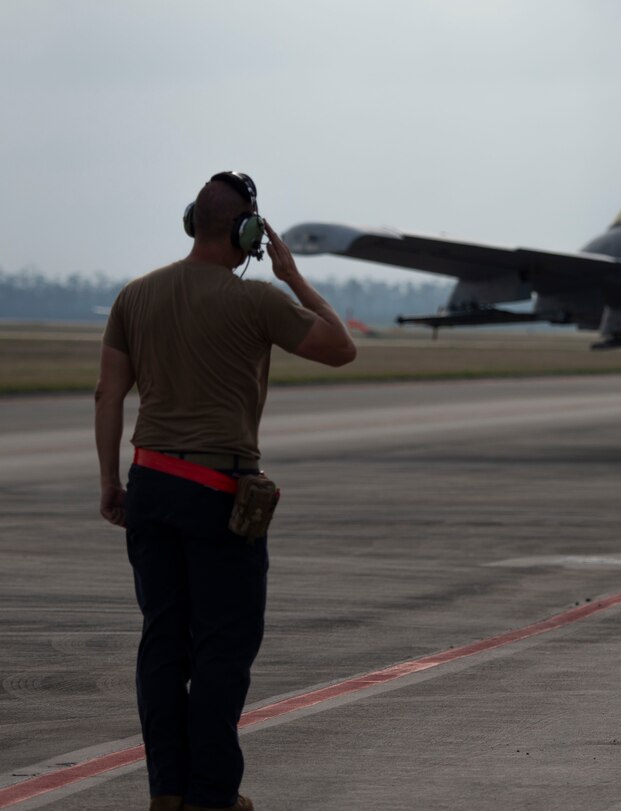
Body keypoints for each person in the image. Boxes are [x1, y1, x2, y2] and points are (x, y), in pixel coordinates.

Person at [94, 171, 356, 811]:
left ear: (192, 222)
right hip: (216, 491)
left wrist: (110, 480)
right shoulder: (259, 300)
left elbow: (108, 395)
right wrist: (292, 276)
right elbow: (341, 348)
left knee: (162, 642)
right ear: (248, 233)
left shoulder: (135, 296)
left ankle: (167, 793)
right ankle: (212, 796)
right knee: (222, 648)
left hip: (150, 482)